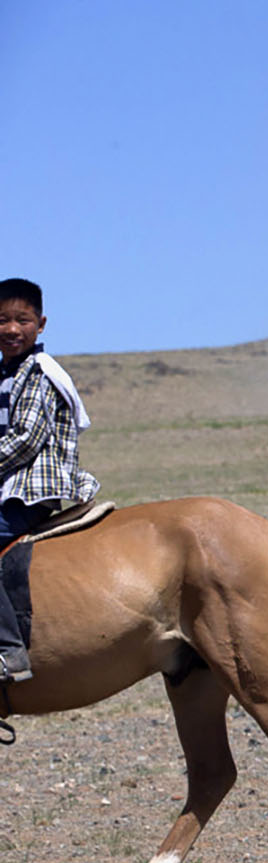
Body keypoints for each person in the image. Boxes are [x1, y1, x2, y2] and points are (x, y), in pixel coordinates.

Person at [0, 278, 100, 682]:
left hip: (32, 487)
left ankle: (8, 650)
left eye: (22, 320)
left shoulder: (39, 372)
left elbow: (26, 439)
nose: (11, 328)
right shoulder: (8, 372)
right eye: (2, 320)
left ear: (40, 325)